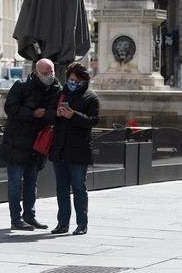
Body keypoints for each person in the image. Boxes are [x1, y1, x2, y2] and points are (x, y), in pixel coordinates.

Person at [0, 58, 61, 231]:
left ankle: (30, 216)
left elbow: (57, 113)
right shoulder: (21, 85)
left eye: (51, 72)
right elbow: (10, 108)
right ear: (36, 72)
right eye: (45, 73)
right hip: (17, 142)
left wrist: (45, 114)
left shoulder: (56, 89)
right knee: (15, 182)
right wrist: (32, 113)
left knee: (31, 182)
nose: (49, 76)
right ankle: (16, 218)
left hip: (38, 144)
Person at [49, 62, 100, 236]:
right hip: (60, 148)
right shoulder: (61, 94)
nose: (73, 83)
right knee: (61, 188)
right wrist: (56, 113)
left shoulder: (90, 98)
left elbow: (93, 120)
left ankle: (82, 224)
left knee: (78, 187)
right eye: (71, 79)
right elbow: (50, 115)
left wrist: (73, 115)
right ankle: (62, 223)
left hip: (78, 150)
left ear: (84, 80)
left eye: (77, 80)